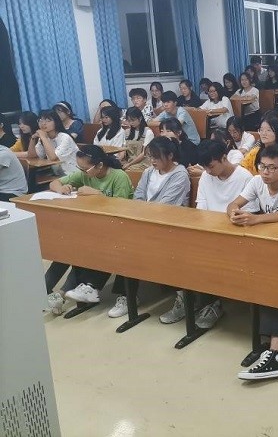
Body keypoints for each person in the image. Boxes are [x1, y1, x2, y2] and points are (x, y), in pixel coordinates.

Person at [158, 140, 257, 327]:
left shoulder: (245, 177)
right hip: (209, 231)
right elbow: (201, 208)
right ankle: (187, 299)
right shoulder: (206, 176)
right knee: (175, 250)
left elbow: (247, 214)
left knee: (207, 257)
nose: (208, 171)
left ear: (224, 158)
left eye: (211, 166)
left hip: (234, 234)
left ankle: (211, 304)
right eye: (205, 167)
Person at [230, 144, 278, 381]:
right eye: (262, 166)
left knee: (273, 281)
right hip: (271, 248)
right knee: (256, 274)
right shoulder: (256, 181)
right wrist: (234, 213)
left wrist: (256, 219)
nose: (266, 172)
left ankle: (276, 352)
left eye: (272, 168)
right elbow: (234, 204)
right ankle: (269, 347)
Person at [108, 136, 191, 318]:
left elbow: (166, 206)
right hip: (145, 223)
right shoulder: (148, 172)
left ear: (170, 156)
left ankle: (182, 298)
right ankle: (127, 296)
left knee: (134, 245)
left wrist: (142, 213)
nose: (152, 161)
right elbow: (138, 196)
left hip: (169, 227)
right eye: (150, 157)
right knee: (122, 243)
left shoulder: (180, 175)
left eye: (156, 157)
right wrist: (141, 214)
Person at [46, 146, 133, 312]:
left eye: (85, 168)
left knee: (84, 248)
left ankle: (68, 292)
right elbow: (54, 183)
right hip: (93, 226)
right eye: (80, 168)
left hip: (117, 228)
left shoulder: (118, 176)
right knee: (66, 247)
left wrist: (97, 194)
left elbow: (121, 209)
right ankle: (53, 291)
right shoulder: (84, 174)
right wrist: (61, 188)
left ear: (99, 165)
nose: (82, 172)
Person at [27, 109, 79, 175]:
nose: (43, 123)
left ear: (56, 122)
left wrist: (43, 137)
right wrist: (33, 138)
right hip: (57, 173)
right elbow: (32, 156)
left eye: (48, 121)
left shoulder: (65, 137)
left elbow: (53, 157)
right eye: (40, 120)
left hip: (73, 173)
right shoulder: (44, 138)